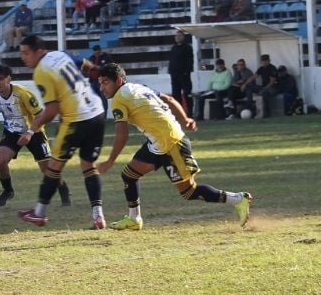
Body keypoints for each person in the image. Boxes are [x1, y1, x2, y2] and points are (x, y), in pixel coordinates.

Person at [95, 62, 253, 230]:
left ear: (118, 81)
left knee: (189, 192)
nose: (101, 88)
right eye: (100, 83)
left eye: (105, 82)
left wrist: (110, 160)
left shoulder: (119, 98)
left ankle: (238, 199)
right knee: (129, 175)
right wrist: (185, 119)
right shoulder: (139, 87)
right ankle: (135, 219)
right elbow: (169, 99)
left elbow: (122, 134)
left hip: (171, 143)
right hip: (158, 142)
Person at [16, 35, 107, 229]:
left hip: (76, 120)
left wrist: (31, 130)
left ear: (39, 52)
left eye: (26, 53)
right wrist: (95, 75)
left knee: (54, 167)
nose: (23, 58)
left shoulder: (41, 71)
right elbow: (87, 65)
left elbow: (51, 110)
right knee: (88, 165)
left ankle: (38, 213)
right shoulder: (61, 54)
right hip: (97, 113)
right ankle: (98, 216)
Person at [0, 64, 71, 207]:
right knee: (0, 163)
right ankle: (8, 190)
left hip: (35, 132)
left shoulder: (23, 93)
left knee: (47, 170)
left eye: (0, 79)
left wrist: (30, 133)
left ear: (9, 79)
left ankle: (63, 190)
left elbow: (40, 115)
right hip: (12, 132)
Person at [168, 30, 193, 115]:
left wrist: (186, 71)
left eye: (180, 35)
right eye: (176, 36)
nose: (178, 37)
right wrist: (170, 71)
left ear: (183, 37)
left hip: (184, 75)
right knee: (176, 95)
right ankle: (180, 114)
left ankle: (190, 113)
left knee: (187, 94)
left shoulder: (188, 47)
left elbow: (190, 61)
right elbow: (171, 61)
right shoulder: (173, 48)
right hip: (174, 75)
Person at [87, 45, 111, 114]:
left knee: (103, 99)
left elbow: (107, 69)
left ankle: (104, 116)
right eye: (95, 53)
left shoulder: (106, 57)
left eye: (97, 53)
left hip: (102, 82)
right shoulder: (92, 58)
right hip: (93, 81)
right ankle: (96, 115)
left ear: (100, 51)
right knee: (94, 99)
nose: (96, 54)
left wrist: (95, 66)